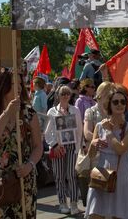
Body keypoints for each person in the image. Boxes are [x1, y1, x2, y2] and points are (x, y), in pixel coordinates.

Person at [0, 70, 43, 218]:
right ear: (2, 85)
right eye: (13, 83)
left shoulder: (28, 113)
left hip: (22, 179)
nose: (18, 87)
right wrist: (7, 114)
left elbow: (38, 146)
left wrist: (30, 165)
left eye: (19, 83)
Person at [85, 86, 128, 218]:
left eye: (123, 101)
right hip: (101, 175)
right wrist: (93, 144)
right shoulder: (99, 126)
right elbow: (91, 156)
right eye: (115, 102)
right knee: (95, 214)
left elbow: (120, 149)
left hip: (121, 176)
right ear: (109, 104)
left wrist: (109, 131)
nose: (120, 104)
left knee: (119, 215)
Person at [45, 85, 83, 215]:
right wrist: (54, 145)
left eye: (68, 93)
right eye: (63, 93)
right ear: (58, 96)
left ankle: (73, 203)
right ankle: (62, 202)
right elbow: (47, 132)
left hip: (72, 146)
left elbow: (79, 130)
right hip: (58, 147)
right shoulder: (52, 111)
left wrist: (78, 148)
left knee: (72, 175)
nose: (66, 96)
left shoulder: (75, 110)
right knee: (59, 176)